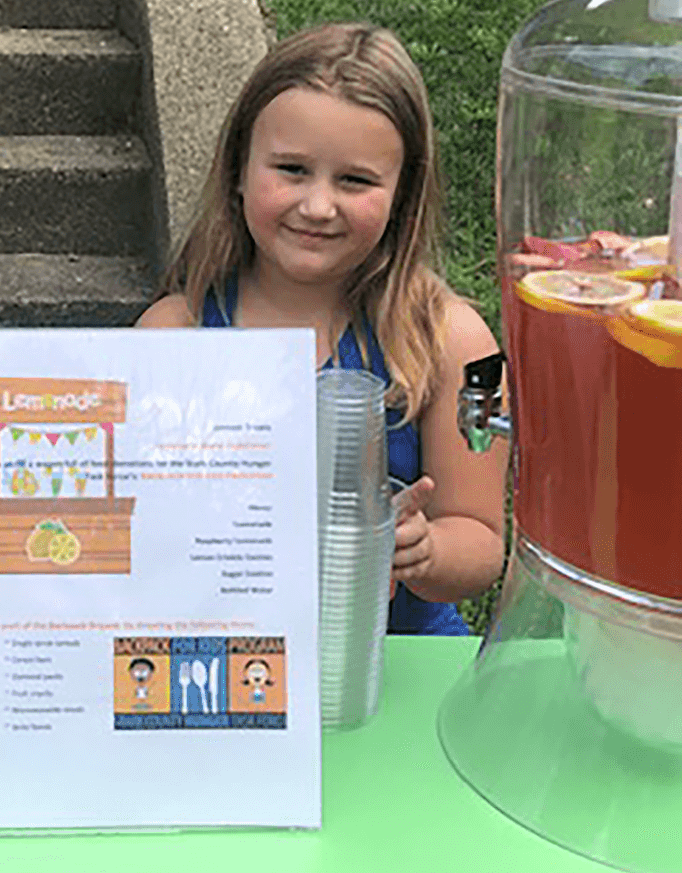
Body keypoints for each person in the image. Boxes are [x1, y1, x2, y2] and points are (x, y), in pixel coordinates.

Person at [137, 22, 506, 635]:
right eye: (290, 169)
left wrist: (427, 551)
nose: (317, 206)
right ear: (237, 168)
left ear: (403, 193)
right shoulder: (168, 334)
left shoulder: (463, 344)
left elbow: (484, 540)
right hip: (230, 667)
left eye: (355, 180)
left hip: (398, 666)